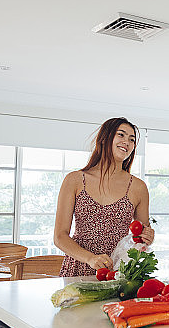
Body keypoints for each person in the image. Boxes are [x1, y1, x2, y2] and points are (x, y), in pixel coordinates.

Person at [54, 117, 154, 277]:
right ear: (104, 138)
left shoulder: (138, 187)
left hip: (118, 272)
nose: (127, 142)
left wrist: (148, 237)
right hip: (78, 270)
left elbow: (141, 238)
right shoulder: (75, 180)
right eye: (121, 135)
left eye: (132, 139)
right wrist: (90, 258)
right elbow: (60, 237)